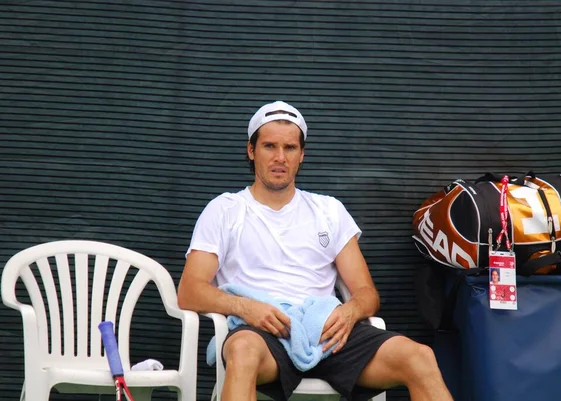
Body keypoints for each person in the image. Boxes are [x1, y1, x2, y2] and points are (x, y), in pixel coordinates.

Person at [177, 101, 453, 401]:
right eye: (269, 146)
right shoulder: (224, 210)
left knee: (420, 356)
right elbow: (190, 291)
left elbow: (367, 294)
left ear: (301, 155)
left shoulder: (329, 210)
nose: (280, 157)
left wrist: (350, 313)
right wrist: (247, 308)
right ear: (251, 150)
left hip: (328, 334)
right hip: (261, 335)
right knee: (242, 351)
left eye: (290, 148)